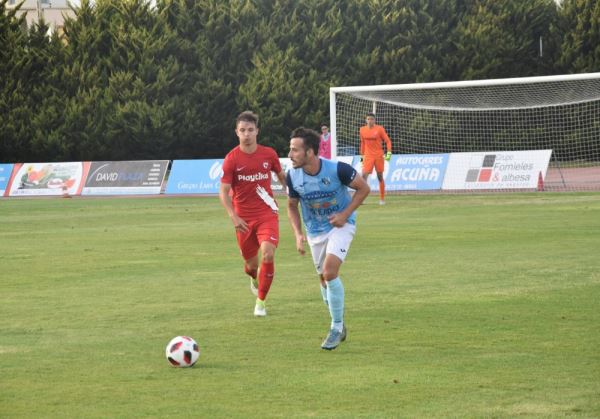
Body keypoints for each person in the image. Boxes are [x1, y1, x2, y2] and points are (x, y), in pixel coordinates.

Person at [286, 127, 370, 350]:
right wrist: (297, 233)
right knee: (323, 280)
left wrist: (344, 214)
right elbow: (291, 206)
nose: (290, 154)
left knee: (330, 272)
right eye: (290, 149)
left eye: (295, 150)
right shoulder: (292, 175)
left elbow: (363, 188)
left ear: (310, 152)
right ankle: (337, 319)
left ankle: (336, 326)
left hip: (341, 225)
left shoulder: (338, 169)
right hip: (315, 231)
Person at [219, 111, 287, 317]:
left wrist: (291, 192)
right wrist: (233, 216)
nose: (246, 134)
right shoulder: (231, 159)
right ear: (236, 133)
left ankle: (261, 303)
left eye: (250, 130)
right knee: (251, 266)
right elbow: (223, 191)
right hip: (243, 220)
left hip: (267, 213)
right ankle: (253, 276)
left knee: (267, 253)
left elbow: (282, 177)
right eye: (242, 130)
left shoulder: (269, 154)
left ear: (257, 131)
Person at [360, 112, 392, 205]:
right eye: (368, 119)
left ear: (374, 120)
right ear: (366, 120)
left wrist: (389, 153)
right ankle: (361, 199)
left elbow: (388, 141)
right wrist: (362, 158)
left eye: (372, 119)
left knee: (380, 176)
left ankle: (382, 199)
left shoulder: (379, 129)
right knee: (363, 176)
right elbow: (362, 143)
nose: (370, 121)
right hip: (368, 156)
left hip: (378, 156)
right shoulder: (362, 130)